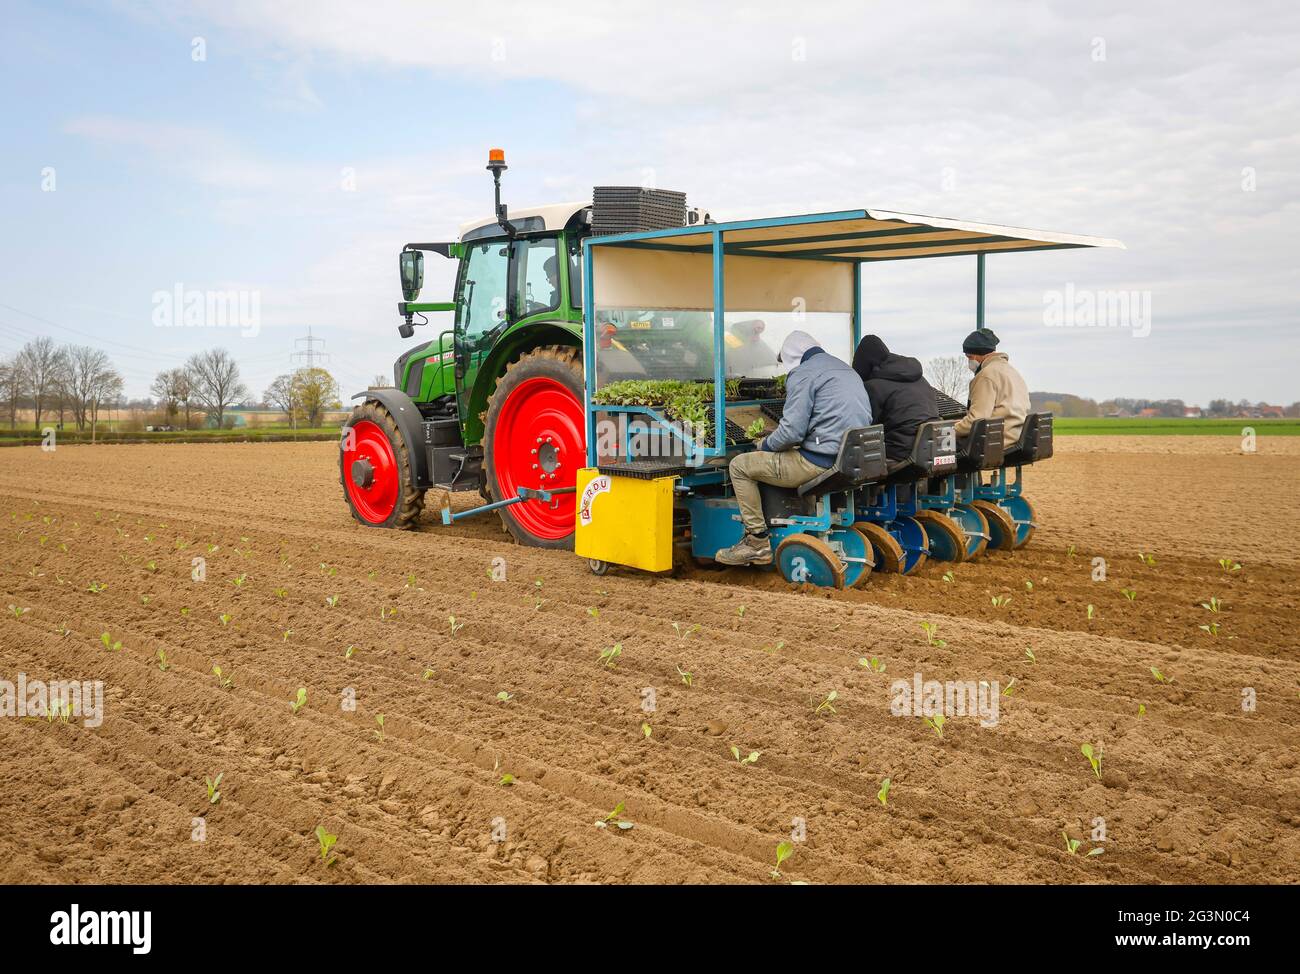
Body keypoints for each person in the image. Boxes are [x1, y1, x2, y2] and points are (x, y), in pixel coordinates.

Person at [715, 330, 873, 566]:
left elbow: (791, 433)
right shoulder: (844, 369)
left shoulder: (804, 373)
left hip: (818, 463)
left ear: (791, 356)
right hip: (853, 458)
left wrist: (764, 444)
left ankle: (756, 542)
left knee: (739, 466)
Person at [851, 334, 940, 462]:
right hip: (933, 445)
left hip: (902, 450)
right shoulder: (919, 377)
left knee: (857, 457)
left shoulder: (873, 387)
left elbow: (868, 427)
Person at [953, 328, 1030, 450]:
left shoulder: (985, 376)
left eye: (969, 356)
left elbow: (976, 420)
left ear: (978, 354)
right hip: (1015, 437)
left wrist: (951, 430)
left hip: (995, 441)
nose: (969, 361)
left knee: (940, 447)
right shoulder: (1011, 371)